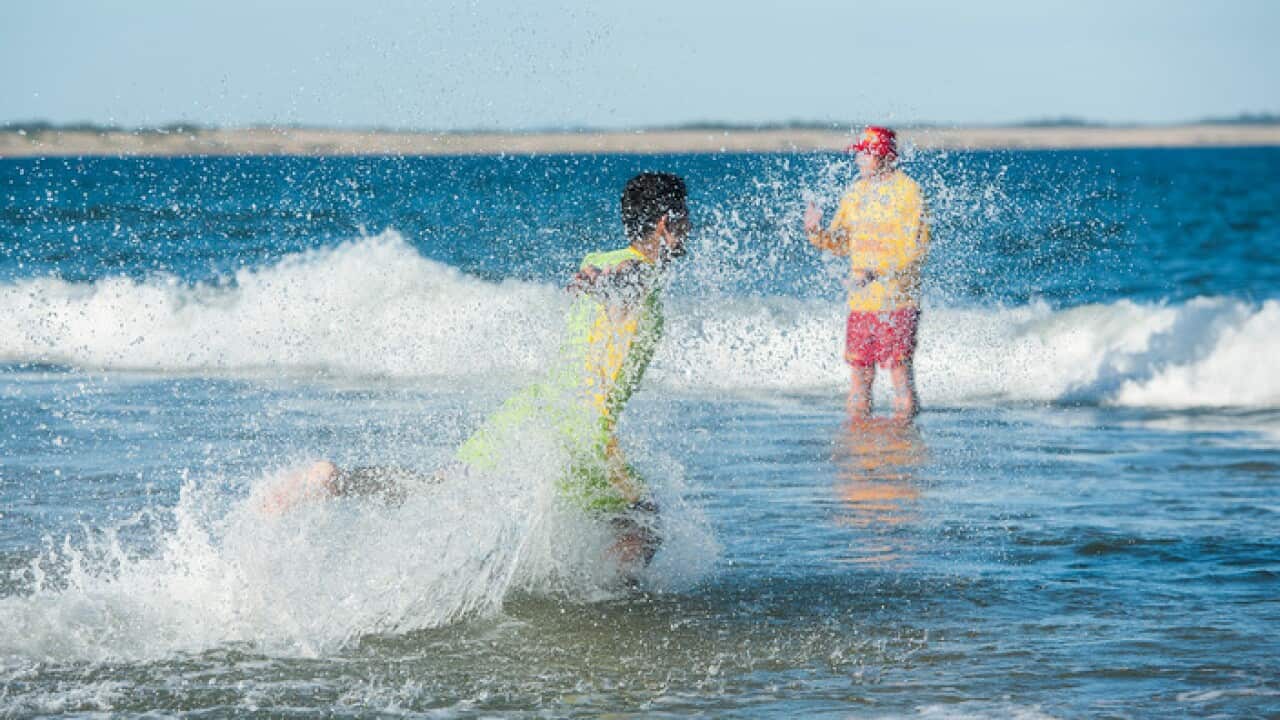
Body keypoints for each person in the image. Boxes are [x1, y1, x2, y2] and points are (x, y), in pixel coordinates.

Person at [261, 172, 691, 572]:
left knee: (438, 489)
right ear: (664, 224)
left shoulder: (601, 257)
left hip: (532, 411)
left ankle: (334, 482)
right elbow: (627, 277)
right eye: (684, 218)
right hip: (582, 430)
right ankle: (612, 611)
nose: (690, 228)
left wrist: (599, 277)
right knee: (645, 522)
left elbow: (607, 274)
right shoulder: (641, 272)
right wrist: (608, 281)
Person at [804, 126, 930, 420]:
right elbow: (840, 243)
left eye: (865, 153)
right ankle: (860, 447)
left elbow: (916, 249)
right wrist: (815, 232)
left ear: (884, 156)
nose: (858, 159)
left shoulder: (908, 191)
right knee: (859, 380)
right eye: (858, 153)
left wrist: (878, 272)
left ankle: (905, 447)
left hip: (897, 300)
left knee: (900, 377)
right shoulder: (855, 192)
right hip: (862, 302)